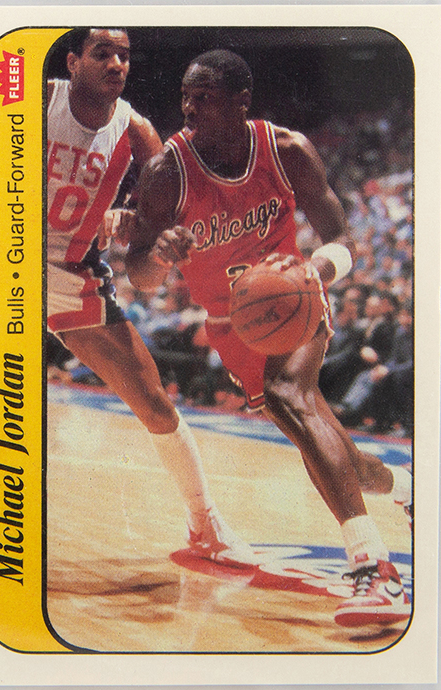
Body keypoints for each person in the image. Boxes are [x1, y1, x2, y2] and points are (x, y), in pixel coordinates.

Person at [125, 49, 413, 628]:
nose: (189, 109)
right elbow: (140, 273)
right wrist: (159, 256)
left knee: (289, 395)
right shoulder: (166, 172)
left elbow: (341, 239)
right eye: (185, 98)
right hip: (230, 325)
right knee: (337, 455)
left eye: (204, 98)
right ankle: (407, 486)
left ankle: (373, 569)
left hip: (294, 299)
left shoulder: (286, 151)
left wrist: (313, 272)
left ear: (242, 102)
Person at [46, 29, 261, 568]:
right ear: (72, 62)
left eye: (123, 55)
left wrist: (132, 219)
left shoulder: (137, 131)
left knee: (152, 398)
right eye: (102, 53)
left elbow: (171, 207)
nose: (116, 63)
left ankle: (205, 524)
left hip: (69, 272)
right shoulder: (35, 101)